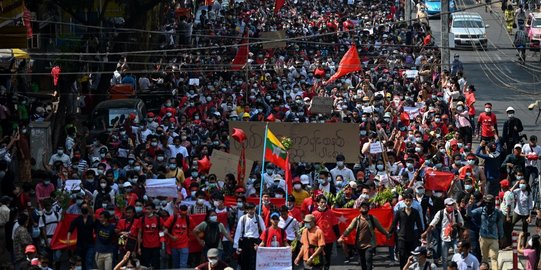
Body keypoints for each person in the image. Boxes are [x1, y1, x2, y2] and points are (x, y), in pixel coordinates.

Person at [338, 201, 390, 270]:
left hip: (370, 244)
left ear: (368, 209)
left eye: (366, 207)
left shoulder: (372, 218)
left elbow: (380, 228)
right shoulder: (356, 220)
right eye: (363, 207)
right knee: (362, 262)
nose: (364, 209)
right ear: (359, 209)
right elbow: (349, 229)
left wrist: (387, 234)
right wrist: (342, 237)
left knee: (368, 260)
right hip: (359, 244)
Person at [422, 198, 463, 269]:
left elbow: (462, 223)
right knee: (444, 257)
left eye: (452, 205)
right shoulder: (440, 213)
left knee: (457, 254)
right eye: (449, 205)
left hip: (454, 237)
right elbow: (432, 224)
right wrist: (426, 232)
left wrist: (456, 224)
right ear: (445, 205)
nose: (451, 207)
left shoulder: (456, 212)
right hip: (444, 237)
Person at [468, 195, 503, 270]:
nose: (488, 205)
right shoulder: (480, 210)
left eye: (490, 203)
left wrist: (501, 237)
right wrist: (469, 206)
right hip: (483, 238)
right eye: (486, 203)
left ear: (493, 203)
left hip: (494, 238)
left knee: (494, 258)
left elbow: (500, 226)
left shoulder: (498, 213)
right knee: (484, 259)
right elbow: (469, 214)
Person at [389, 193, 424, 270]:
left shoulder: (415, 212)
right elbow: (394, 224)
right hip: (402, 237)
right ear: (404, 201)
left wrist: (422, 236)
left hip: (412, 238)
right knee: (402, 256)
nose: (408, 202)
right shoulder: (399, 212)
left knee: (411, 257)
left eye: (409, 201)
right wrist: (389, 233)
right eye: (406, 201)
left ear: (412, 202)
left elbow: (419, 225)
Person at [233, 202, 265, 270]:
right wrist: (236, 246)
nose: (251, 211)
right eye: (249, 209)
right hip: (245, 241)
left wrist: (263, 243)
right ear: (246, 210)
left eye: (252, 209)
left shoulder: (258, 217)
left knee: (254, 261)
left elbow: (264, 230)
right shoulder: (243, 218)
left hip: (255, 242)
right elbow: (238, 231)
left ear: (254, 209)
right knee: (245, 261)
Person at [311, 195, 339, 270]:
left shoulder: (330, 212)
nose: (323, 204)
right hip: (318, 240)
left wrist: (338, 236)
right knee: (318, 258)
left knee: (327, 258)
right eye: (321, 202)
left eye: (325, 202)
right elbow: (311, 227)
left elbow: (335, 225)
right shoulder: (314, 214)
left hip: (329, 239)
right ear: (317, 203)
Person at [68, 203, 96, 270]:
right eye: (83, 207)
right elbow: (70, 230)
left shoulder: (91, 219)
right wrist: (68, 240)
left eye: (86, 207)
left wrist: (89, 207)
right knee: (80, 262)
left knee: (89, 261)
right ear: (81, 210)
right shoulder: (77, 219)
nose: (84, 208)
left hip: (90, 244)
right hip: (80, 245)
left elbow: (94, 217)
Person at [164, 204, 191, 268]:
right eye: (182, 214)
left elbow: (194, 229)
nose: (183, 216)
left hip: (184, 245)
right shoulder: (172, 218)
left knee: (183, 265)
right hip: (174, 245)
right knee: (175, 265)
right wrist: (171, 236)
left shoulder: (189, 219)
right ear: (179, 211)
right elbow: (164, 229)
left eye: (185, 214)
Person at [136, 202, 161, 268]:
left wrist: (162, 238)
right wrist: (139, 248)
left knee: (156, 265)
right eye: (146, 209)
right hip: (145, 247)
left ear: (153, 210)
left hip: (156, 246)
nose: (147, 211)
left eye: (149, 209)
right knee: (145, 266)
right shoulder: (142, 219)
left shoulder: (158, 219)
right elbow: (139, 233)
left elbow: (163, 230)